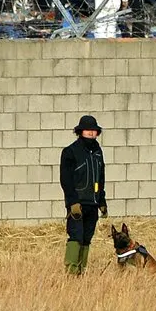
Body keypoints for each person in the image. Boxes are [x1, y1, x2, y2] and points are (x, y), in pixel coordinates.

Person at [59, 114, 108, 275]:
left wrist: (102, 201)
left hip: (92, 203)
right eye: (88, 130)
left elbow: (100, 178)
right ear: (80, 131)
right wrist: (72, 202)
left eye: (94, 130)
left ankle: (81, 270)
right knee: (76, 236)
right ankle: (71, 272)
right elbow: (66, 180)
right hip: (77, 204)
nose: (91, 133)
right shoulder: (70, 152)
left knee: (87, 238)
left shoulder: (98, 152)